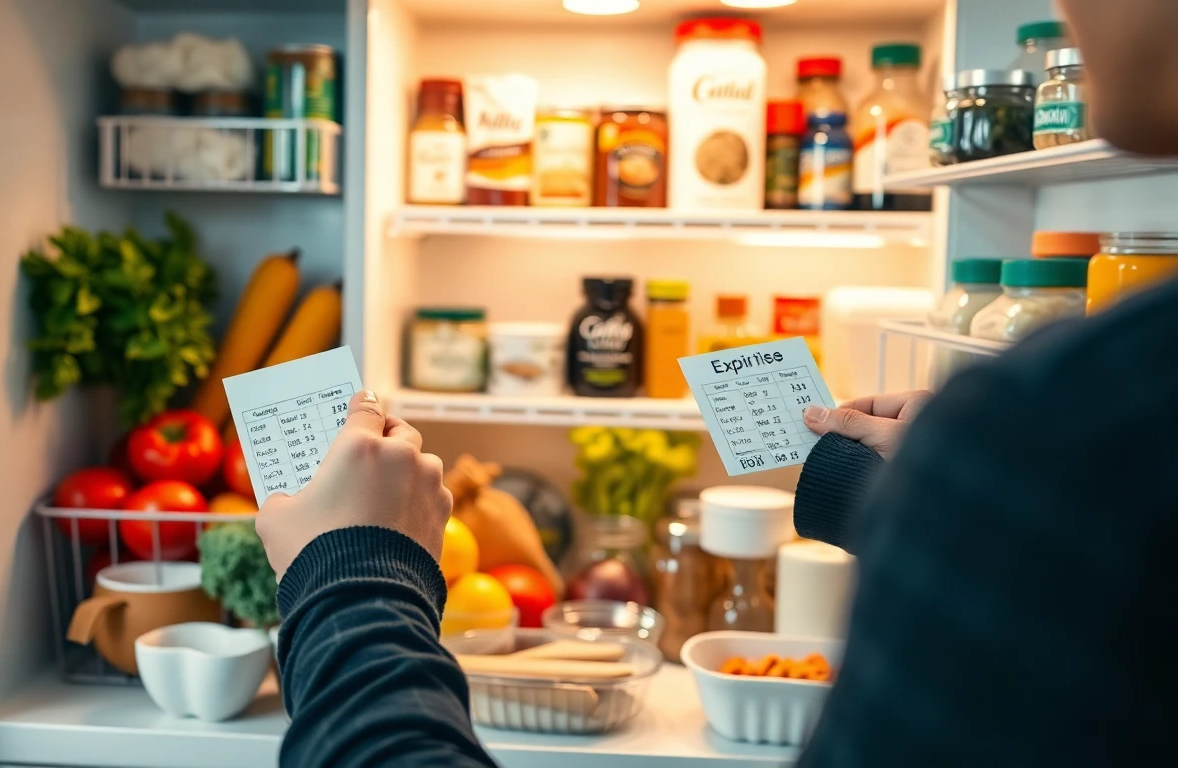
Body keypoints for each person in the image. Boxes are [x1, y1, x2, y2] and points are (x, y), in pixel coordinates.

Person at [260, 0, 1178, 764]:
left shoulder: (1065, 426)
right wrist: (933, 483)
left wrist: (354, 570)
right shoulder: (1076, 433)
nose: (1062, 7)